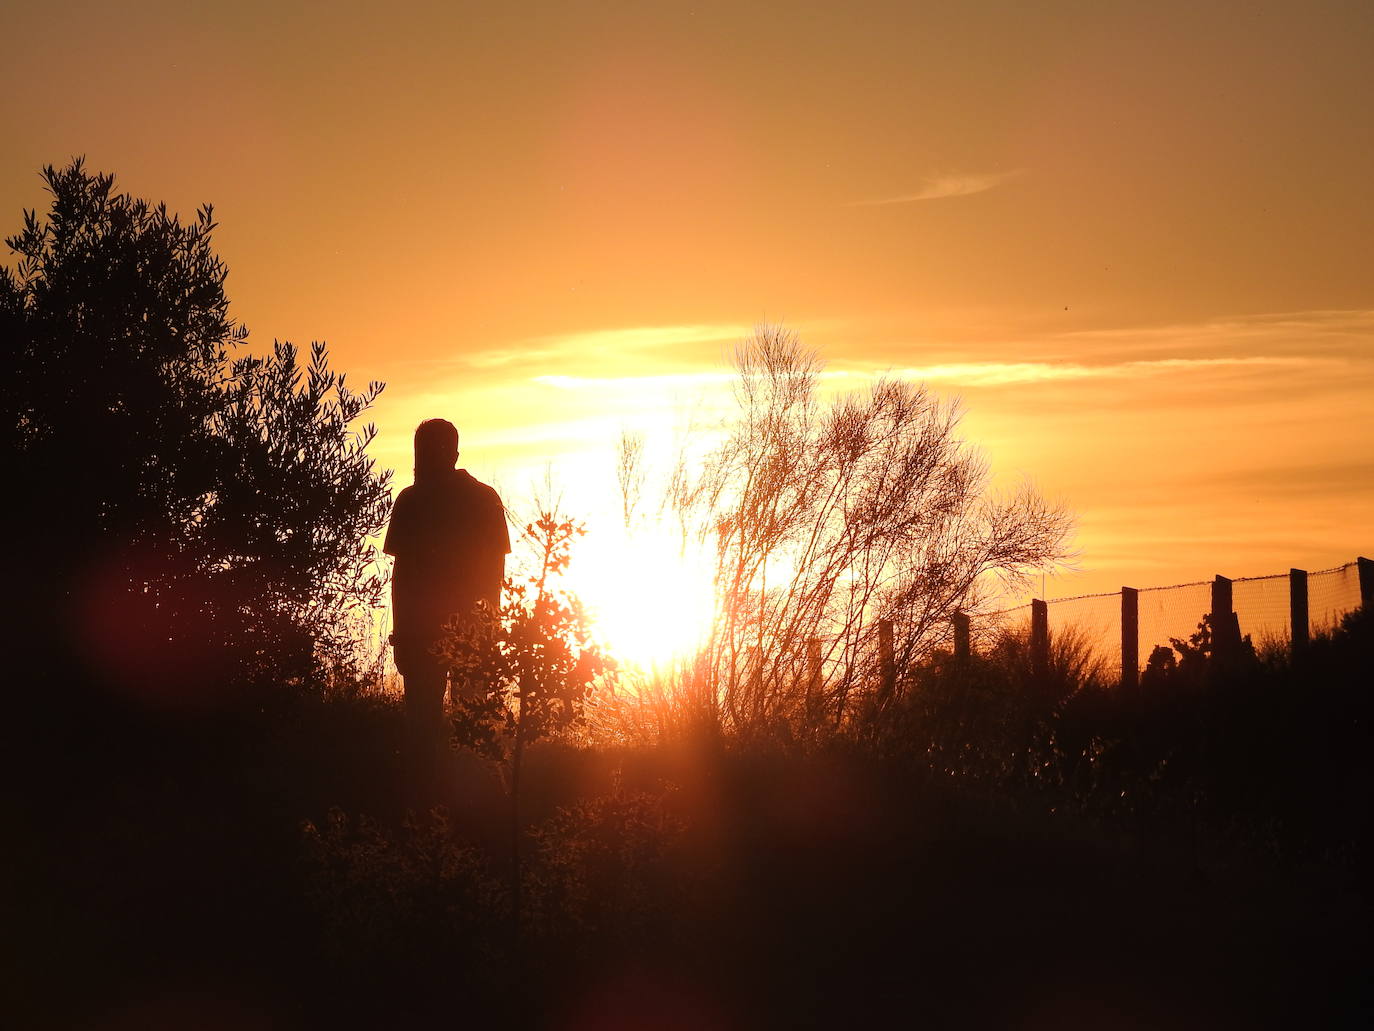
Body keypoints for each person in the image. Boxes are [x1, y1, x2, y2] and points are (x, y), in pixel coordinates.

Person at [383, 419, 509, 766]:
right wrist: (489, 631)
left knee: (424, 729)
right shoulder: (485, 498)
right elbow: (495, 573)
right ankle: (471, 793)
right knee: (472, 727)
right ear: (455, 453)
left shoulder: (412, 499)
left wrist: (404, 635)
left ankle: (431, 796)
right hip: (466, 630)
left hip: (425, 632)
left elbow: (402, 576)